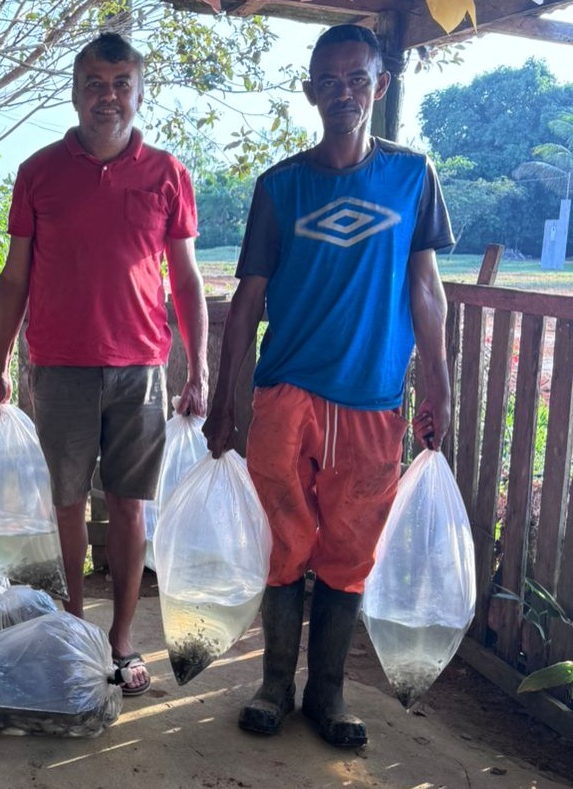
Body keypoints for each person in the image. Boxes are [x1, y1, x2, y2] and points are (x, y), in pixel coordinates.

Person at [203, 25, 453, 749]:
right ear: (311, 91)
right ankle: (274, 684)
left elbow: (426, 289)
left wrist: (438, 383)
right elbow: (248, 300)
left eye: (357, 79)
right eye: (330, 81)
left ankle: (329, 693)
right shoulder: (280, 187)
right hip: (286, 393)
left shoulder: (412, 177)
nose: (344, 92)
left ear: (379, 85)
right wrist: (224, 399)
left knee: (349, 550)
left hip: (373, 398)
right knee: (282, 540)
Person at [0, 32, 209, 697]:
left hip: (141, 367)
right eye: (94, 84)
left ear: (138, 93)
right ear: (75, 93)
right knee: (68, 503)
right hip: (59, 365)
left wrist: (199, 368)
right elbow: (14, 278)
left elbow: (186, 279)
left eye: (120, 85)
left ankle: (121, 639)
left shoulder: (167, 174)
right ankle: (74, 628)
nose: (107, 97)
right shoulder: (38, 172)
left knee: (130, 505)